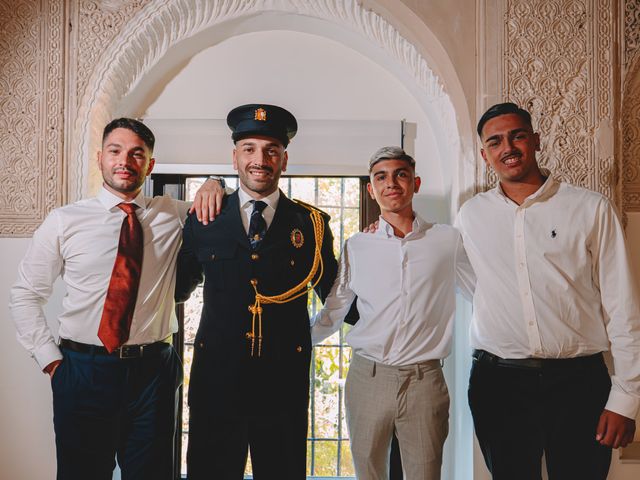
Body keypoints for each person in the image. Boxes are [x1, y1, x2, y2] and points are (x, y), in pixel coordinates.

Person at [9, 118, 223, 480]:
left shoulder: (173, 214)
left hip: (153, 371)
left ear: (150, 164)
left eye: (137, 153)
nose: (125, 160)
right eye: (116, 151)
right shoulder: (64, 221)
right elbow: (25, 295)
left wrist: (214, 183)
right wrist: (53, 364)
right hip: (82, 370)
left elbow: (226, 206)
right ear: (100, 158)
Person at [457, 102, 640, 479]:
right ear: (484, 154)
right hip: (498, 385)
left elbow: (623, 307)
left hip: (579, 384)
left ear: (536, 140)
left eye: (517, 136)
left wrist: (627, 399)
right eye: (495, 141)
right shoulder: (470, 215)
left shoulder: (590, 208)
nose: (507, 147)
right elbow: (469, 282)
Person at [176, 103, 339, 480]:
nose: (259, 159)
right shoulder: (205, 217)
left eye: (271, 150)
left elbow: (337, 297)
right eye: (249, 148)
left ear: (284, 159)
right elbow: (175, 289)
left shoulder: (310, 225)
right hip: (216, 382)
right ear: (234, 158)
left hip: (283, 385)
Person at [311, 146, 475, 480]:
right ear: (371, 189)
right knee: (369, 473)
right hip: (367, 377)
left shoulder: (448, 241)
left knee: (425, 474)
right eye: (381, 177)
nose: (392, 184)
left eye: (400, 174)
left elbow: (482, 293)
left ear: (415, 183)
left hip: (424, 380)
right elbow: (335, 309)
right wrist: (289, 343)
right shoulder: (357, 245)